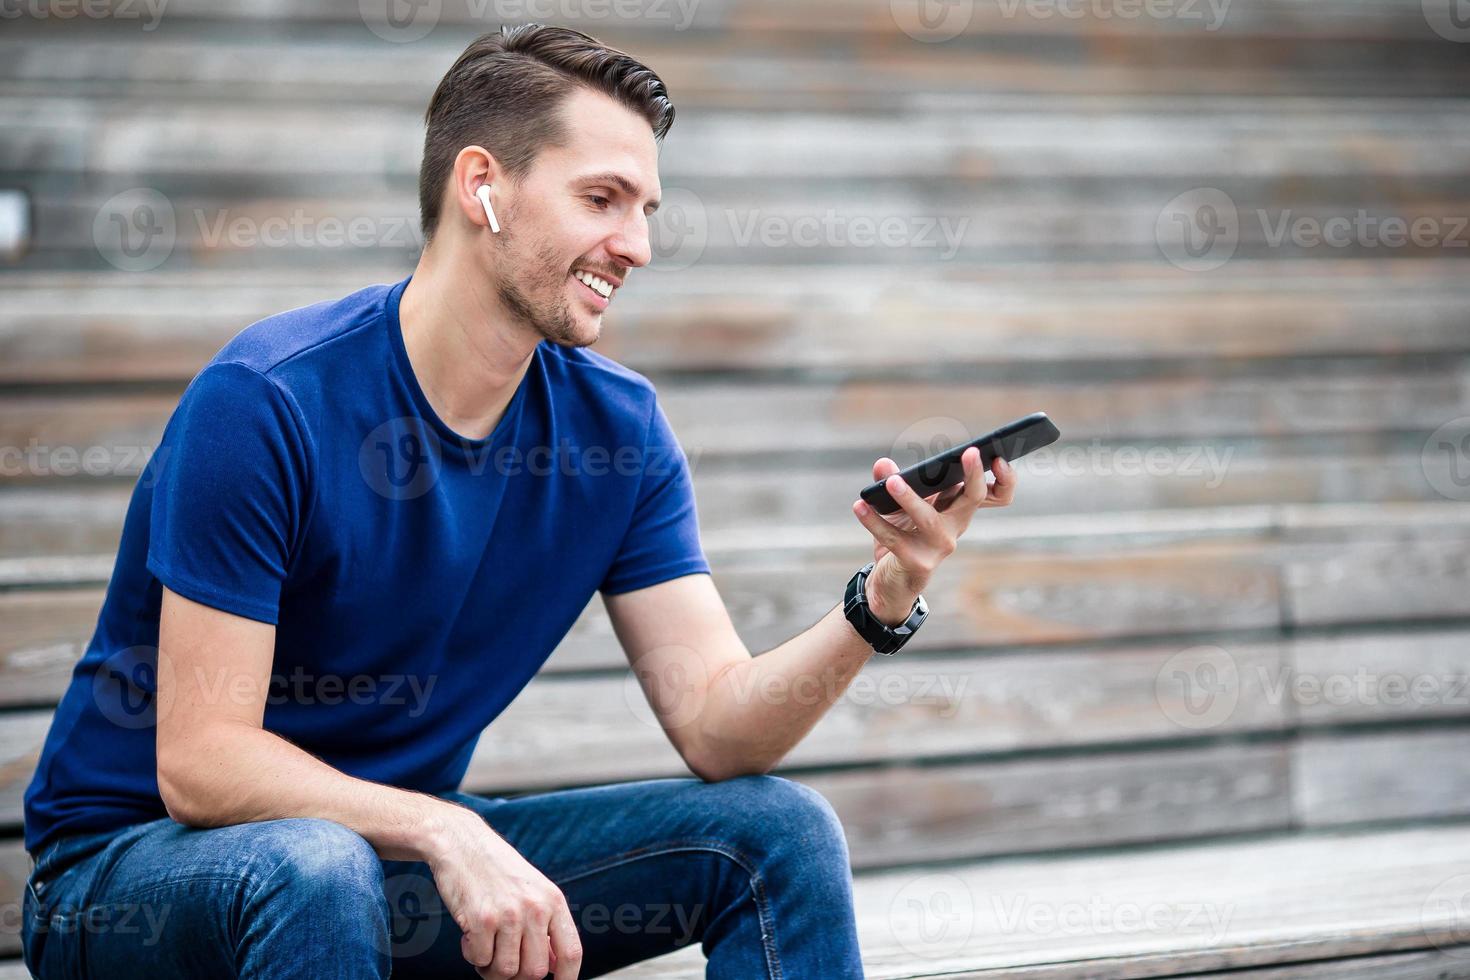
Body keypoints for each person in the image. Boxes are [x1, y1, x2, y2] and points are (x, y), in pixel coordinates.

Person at [20, 23, 1016, 980]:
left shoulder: (617, 434)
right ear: (482, 187)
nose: (637, 245)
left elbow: (720, 727)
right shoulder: (268, 401)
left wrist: (881, 596)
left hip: (390, 873)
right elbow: (200, 763)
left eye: (647, 210)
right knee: (314, 865)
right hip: (136, 875)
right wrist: (444, 825)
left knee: (779, 831)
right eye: (602, 198)